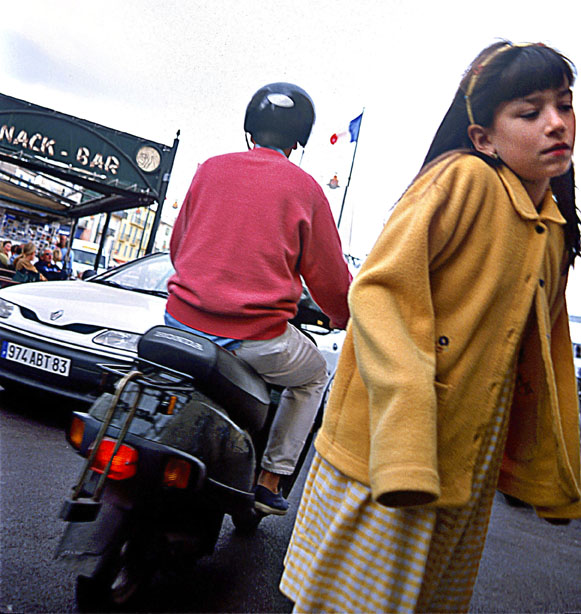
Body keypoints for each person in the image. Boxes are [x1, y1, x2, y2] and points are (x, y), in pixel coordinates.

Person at [280, 41, 581, 613]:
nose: (556, 123)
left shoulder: (553, 228)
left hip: (464, 463)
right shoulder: (462, 181)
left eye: (564, 105)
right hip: (392, 450)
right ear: (483, 138)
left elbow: (544, 359)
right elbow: (380, 293)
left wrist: (547, 469)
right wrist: (407, 431)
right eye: (530, 111)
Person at [167, 82, 351, 515]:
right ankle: (270, 478)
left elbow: (178, 248)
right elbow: (328, 279)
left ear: (250, 128)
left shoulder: (210, 169)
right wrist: (341, 316)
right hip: (253, 339)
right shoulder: (306, 189)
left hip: (179, 323)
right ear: (299, 139)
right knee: (313, 376)